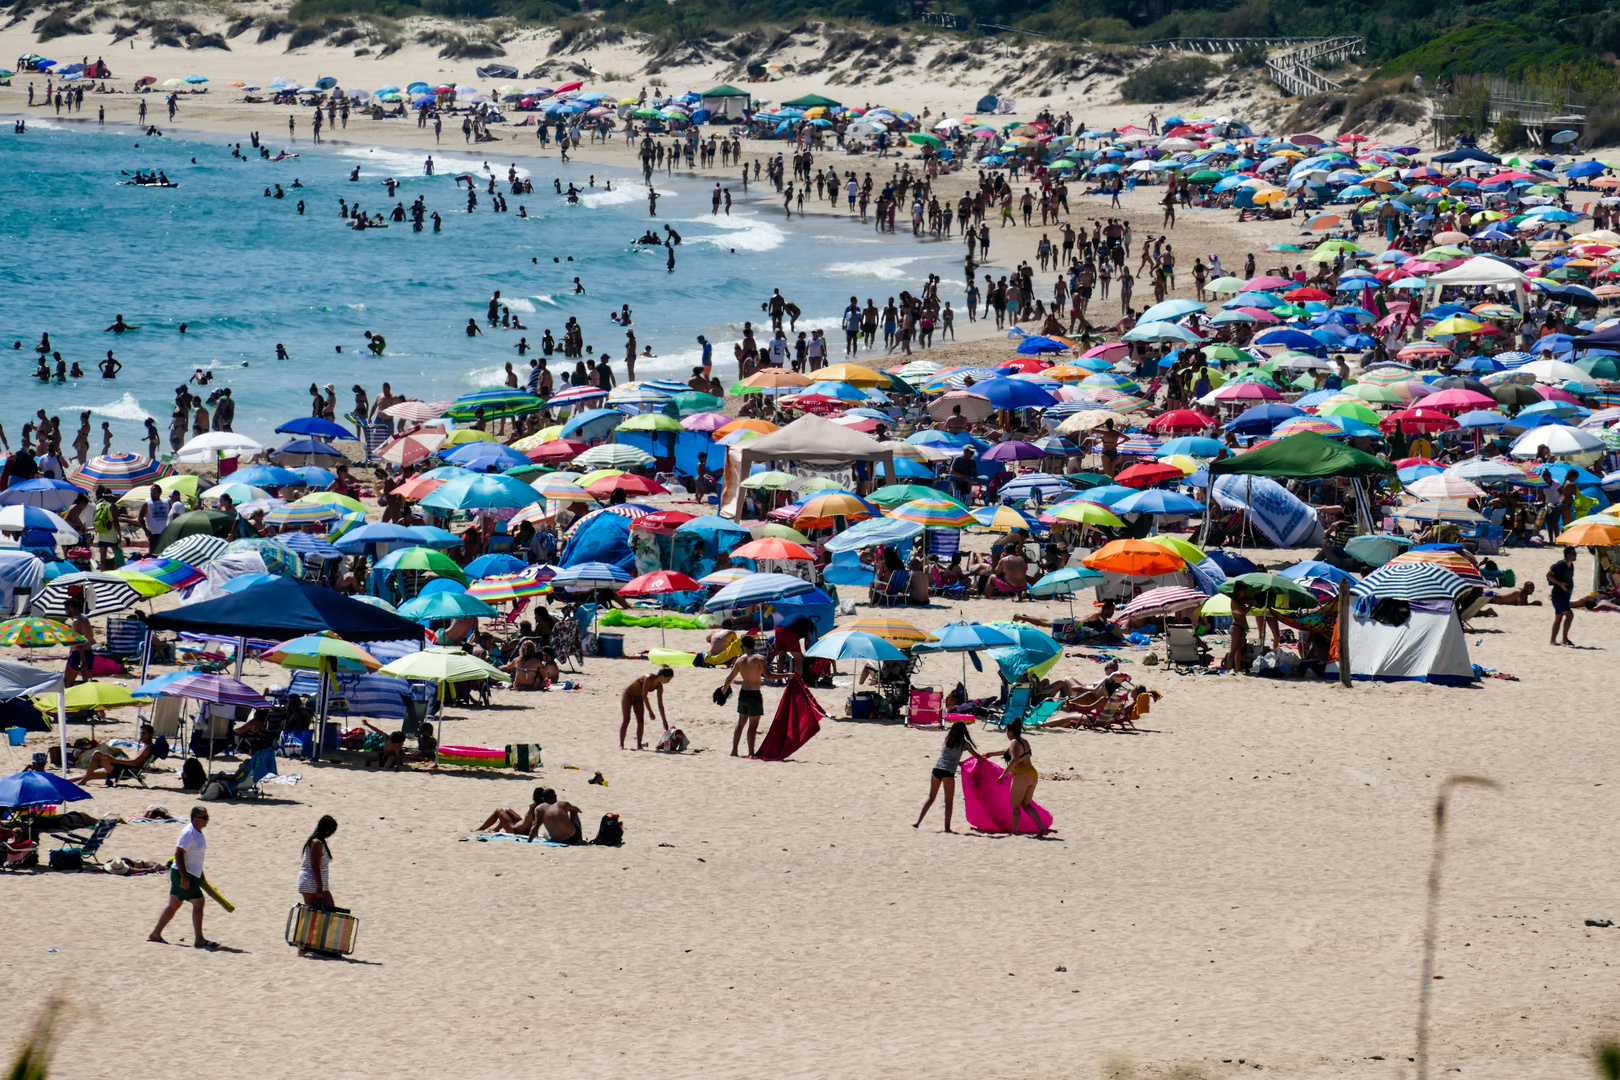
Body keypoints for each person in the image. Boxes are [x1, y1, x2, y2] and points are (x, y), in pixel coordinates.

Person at [149, 806, 216, 948]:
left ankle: (156, 934)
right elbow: (179, 854)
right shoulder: (189, 833)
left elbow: (195, 856)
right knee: (199, 903)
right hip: (184, 874)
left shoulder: (198, 832)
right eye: (205, 818)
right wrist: (184, 877)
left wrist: (201, 874)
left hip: (191, 873)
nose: (207, 820)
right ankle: (199, 939)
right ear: (196, 819)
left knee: (174, 905)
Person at [913, 721, 980, 833]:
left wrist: (958, 761)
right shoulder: (963, 743)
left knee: (931, 797)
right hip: (948, 772)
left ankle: (918, 822)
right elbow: (977, 756)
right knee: (949, 802)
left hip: (936, 769)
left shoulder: (947, 739)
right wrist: (984, 757)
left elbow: (949, 755)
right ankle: (947, 828)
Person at [295, 815, 338, 955]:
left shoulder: (318, 841)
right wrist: (319, 887)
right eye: (332, 830)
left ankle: (314, 944)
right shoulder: (317, 842)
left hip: (318, 883)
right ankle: (303, 946)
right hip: (311, 882)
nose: (332, 834)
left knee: (328, 911)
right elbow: (314, 866)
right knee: (312, 913)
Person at [721, 634, 766, 757]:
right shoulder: (760, 659)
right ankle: (751, 753)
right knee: (753, 726)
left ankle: (734, 751)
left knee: (741, 723)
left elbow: (729, 678)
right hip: (755, 695)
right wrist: (787, 675)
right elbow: (769, 676)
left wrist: (724, 690)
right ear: (753, 646)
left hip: (743, 694)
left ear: (743, 647)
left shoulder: (740, 660)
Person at [1001, 720, 1046, 837]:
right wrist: (990, 754)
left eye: (1007, 731)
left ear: (1011, 732)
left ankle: (1014, 832)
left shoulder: (1014, 743)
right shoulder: (1024, 741)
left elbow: (1014, 759)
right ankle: (1041, 826)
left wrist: (1003, 774)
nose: (1006, 733)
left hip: (1021, 775)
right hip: (1032, 774)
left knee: (1015, 806)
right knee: (1026, 805)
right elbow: (1009, 752)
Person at [74, 723, 154, 785]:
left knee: (97, 754)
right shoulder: (145, 746)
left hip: (125, 770)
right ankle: (66, 780)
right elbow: (134, 761)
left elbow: (134, 763)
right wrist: (117, 759)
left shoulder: (147, 748)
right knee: (89, 774)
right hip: (123, 768)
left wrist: (114, 760)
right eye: (141, 733)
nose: (141, 736)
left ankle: (84, 781)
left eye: (144, 733)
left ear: (151, 734)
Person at [620, 667, 674, 750]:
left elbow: (660, 704)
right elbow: (644, 696)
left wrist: (664, 720)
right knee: (626, 719)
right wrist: (650, 712)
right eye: (667, 679)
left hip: (638, 698)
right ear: (662, 676)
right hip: (628, 695)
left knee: (641, 721)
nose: (668, 682)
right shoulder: (649, 678)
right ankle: (621, 744)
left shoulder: (659, 686)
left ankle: (639, 745)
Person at [1548, 545, 1577, 646]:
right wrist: (1559, 583)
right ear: (1568, 555)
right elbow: (1549, 575)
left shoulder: (1571, 566)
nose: (1575, 555)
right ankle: (1563, 639)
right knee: (1569, 615)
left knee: (1559, 617)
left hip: (1565, 595)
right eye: (1573, 554)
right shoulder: (1560, 565)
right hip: (1558, 595)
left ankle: (1554, 640)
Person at [63, 597, 94, 687]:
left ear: (71, 608)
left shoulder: (76, 622)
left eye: (66, 609)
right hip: (89, 653)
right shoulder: (85, 618)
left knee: (67, 682)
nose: (66, 612)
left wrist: (82, 659)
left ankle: (68, 701)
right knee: (87, 684)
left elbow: (79, 642)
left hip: (78, 655)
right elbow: (91, 638)